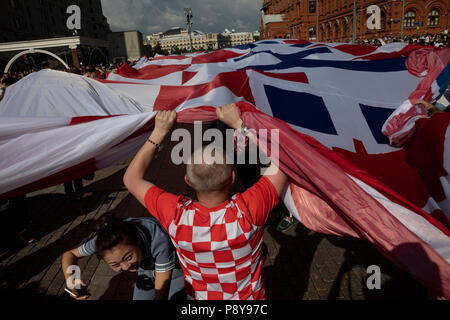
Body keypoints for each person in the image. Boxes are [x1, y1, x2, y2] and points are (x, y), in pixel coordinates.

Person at [123, 103, 288, 300]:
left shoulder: (175, 214)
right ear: (232, 178)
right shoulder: (249, 208)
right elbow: (283, 160)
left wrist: (159, 132)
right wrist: (238, 124)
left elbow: (131, 179)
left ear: (188, 181)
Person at [61, 214, 185, 300]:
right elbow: (70, 254)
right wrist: (72, 280)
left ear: (137, 240)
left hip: (176, 268)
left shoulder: (157, 237)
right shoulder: (101, 242)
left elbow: (161, 292)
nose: (126, 267)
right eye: (115, 264)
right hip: (146, 267)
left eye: (128, 257)